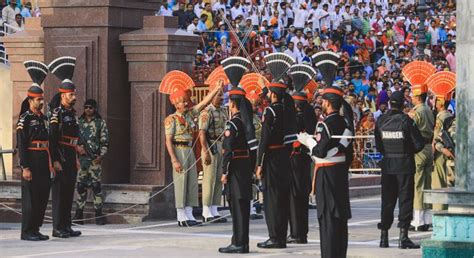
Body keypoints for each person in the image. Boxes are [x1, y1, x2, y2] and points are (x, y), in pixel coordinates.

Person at [162, 71, 224, 227]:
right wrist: (174, 159)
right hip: (179, 149)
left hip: (189, 149)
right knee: (181, 182)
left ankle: (189, 213)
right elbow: (168, 141)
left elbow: (203, 103)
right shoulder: (171, 119)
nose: (185, 103)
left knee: (191, 183)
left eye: (184, 101)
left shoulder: (189, 115)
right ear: (175, 104)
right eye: (182, 102)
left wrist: (216, 90)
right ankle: (181, 215)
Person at [298, 85, 353, 258]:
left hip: (327, 174)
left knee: (327, 219)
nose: (320, 103)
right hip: (340, 173)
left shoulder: (324, 124)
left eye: (322, 100)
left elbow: (320, 152)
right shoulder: (345, 123)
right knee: (339, 219)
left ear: (328, 103)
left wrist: (308, 141)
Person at [256, 53, 297, 249]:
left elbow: (264, 140)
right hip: (284, 157)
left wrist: (259, 163)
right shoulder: (287, 109)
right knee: (281, 198)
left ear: (273, 95)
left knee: (271, 200)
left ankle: (274, 237)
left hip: (272, 157)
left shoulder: (270, 112)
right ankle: (281, 236)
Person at [374, 91, 425, 249]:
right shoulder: (406, 120)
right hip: (404, 165)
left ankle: (384, 237)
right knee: (405, 200)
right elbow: (419, 144)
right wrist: (407, 152)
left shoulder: (381, 120)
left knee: (387, 202)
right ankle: (403, 238)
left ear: (390, 103)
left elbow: (379, 145)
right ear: (403, 104)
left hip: (388, 165)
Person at [218, 56, 256, 254]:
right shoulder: (245, 122)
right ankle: (242, 242)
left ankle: (238, 243)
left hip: (235, 169)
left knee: (237, 208)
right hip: (244, 167)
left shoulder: (232, 124)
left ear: (232, 104)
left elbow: (227, 150)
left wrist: (224, 171)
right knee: (242, 207)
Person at [17, 60, 51, 241]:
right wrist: (25, 167)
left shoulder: (44, 118)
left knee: (42, 195)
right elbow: (21, 143)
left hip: (43, 159)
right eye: (38, 99)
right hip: (31, 159)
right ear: (30, 100)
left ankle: (36, 228)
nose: (41, 102)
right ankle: (27, 231)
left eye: (42, 99)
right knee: (30, 199)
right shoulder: (25, 119)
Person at [48, 56, 82, 238]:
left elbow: (74, 139)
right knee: (60, 193)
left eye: (74, 94)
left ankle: (67, 226)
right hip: (60, 155)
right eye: (71, 95)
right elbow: (52, 139)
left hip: (70, 154)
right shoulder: (57, 114)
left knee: (69, 191)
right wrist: (55, 160)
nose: (74, 97)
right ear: (63, 95)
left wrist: (75, 158)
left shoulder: (72, 114)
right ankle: (58, 227)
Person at [73, 99, 110, 225]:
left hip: (95, 160)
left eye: (91, 107)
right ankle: (79, 214)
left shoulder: (100, 123)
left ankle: (98, 214)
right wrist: (77, 148)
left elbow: (105, 142)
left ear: (95, 109)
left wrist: (101, 156)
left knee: (96, 187)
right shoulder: (78, 122)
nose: (88, 109)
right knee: (80, 187)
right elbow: (72, 139)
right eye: (86, 107)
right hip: (82, 160)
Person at [287, 91, 316, 244]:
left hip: (296, 158)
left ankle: (296, 233)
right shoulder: (310, 114)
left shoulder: (298, 118)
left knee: (294, 197)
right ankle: (301, 233)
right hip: (304, 158)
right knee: (302, 198)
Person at [198, 87, 228, 223]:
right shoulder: (206, 112)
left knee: (218, 179)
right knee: (209, 179)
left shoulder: (223, 111)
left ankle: (214, 209)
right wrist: (205, 150)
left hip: (220, 145)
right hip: (210, 145)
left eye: (222, 96)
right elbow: (202, 133)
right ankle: (206, 210)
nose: (222, 98)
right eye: (219, 96)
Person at [408, 83, 434, 231]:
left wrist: (409, 116)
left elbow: (412, 128)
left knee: (418, 185)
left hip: (419, 149)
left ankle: (418, 221)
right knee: (427, 184)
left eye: (413, 95)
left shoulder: (417, 112)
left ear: (418, 96)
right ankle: (427, 219)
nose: (411, 97)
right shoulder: (429, 110)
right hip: (428, 148)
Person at [430, 74, 456, 210]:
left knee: (438, 183)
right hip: (447, 152)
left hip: (440, 153)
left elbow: (437, 136)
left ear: (439, 103)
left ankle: (439, 209)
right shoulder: (448, 115)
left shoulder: (441, 117)